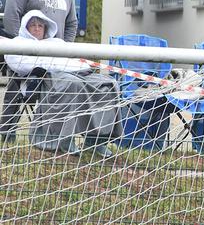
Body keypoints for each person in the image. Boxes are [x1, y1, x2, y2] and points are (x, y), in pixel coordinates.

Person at [2, 10, 121, 156]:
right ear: (26, 27)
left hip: (75, 73)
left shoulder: (56, 43)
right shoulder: (17, 44)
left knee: (107, 84)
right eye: (33, 25)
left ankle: (97, 139)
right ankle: (63, 138)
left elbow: (71, 61)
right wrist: (50, 65)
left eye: (40, 25)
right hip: (44, 80)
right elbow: (21, 65)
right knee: (72, 84)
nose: (37, 28)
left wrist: (76, 67)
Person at [1, 0, 78, 142]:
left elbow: (72, 23)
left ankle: (45, 135)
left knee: (57, 90)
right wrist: (20, 46)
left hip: (53, 58)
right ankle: (6, 131)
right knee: (16, 87)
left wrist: (63, 49)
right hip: (25, 56)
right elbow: (11, 15)